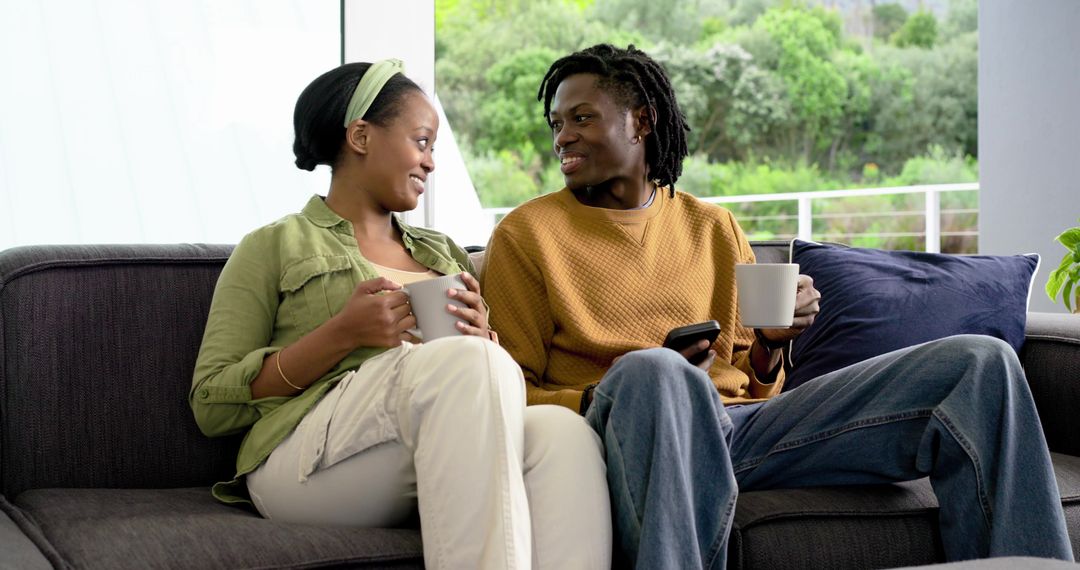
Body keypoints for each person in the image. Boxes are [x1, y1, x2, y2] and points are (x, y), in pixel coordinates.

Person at [480, 44, 1074, 569]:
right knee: (655, 370)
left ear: (642, 121)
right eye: (557, 123)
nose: (563, 136)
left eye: (581, 118)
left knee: (981, 363)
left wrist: (770, 344)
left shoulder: (712, 226)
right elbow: (511, 388)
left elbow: (757, 386)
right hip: (622, 434)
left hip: (739, 432)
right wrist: (643, 383)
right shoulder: (527, 234)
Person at [190, 60, 611, 570]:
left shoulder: (443, 252)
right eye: (421, 142)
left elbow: (490, 388)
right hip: (303, 466)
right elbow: (212, 403)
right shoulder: (274, 245)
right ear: (362, 136)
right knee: (468, 364)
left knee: (564, 434)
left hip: (427, 447)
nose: (431, 163)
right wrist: (342, 335)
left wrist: (487, 342)